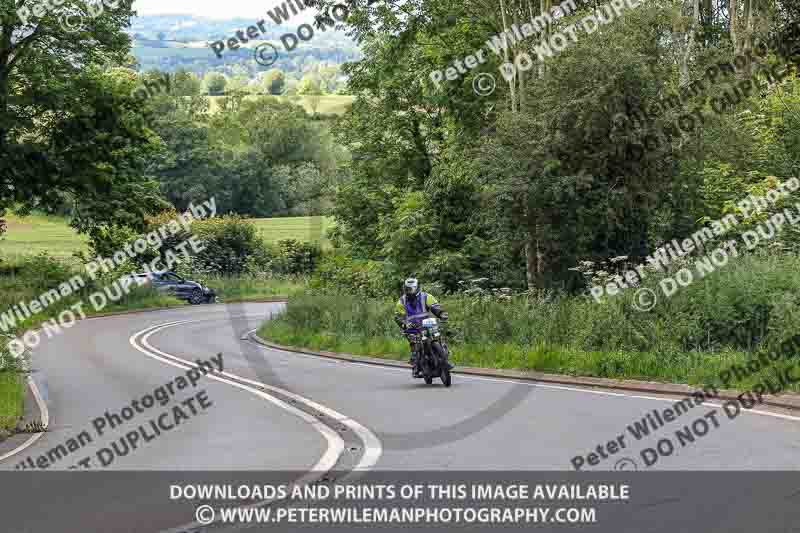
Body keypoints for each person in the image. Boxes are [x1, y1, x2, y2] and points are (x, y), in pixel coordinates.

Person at [394, 277, 450, 377]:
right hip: (412, 327)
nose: (409, 291)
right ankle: (416, 365)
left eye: (411, 289)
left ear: (417, 288)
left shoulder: (426, 296)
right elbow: (398, 316)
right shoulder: (401, 301)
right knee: (415, 345)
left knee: (438, 336)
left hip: (427, 323)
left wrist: (441, 314)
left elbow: (435, 307)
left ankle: (445, 359)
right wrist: (404, 324)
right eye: (407, 289)